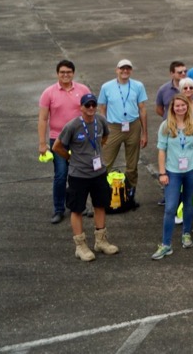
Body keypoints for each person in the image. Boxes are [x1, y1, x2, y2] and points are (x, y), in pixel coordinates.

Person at [53, 93, 120, 261]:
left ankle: (101, 241)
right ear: (81, 107)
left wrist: (96, 151)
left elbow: (105, 136)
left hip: (98, 173)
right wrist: (71, 158)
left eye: (93, 105)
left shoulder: (100, 121)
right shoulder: (72, 126)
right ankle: (80, 246)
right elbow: (57, 146)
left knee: (100, 205)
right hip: (79, 175)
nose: (91, 108)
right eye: (87, 105)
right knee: (77, 209)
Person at [152, 95, 193, 260]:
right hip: (172, 171)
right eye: (177, 106)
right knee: (170, 207)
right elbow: (162, 150)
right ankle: (166, 244)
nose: (180, 108)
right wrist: (162, 173)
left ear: (187, 107)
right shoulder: (166, 126)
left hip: (192, 169)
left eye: (183, 105)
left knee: (189, 202)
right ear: (172, 108)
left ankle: (186, 233)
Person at [38, 59, 91, 224]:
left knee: (80, 175)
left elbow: (90, 112)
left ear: (73, 73)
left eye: (68, 72)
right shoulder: (49, 93)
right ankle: (59, 209)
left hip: (80, 140)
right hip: (58, 140)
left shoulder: (83, 90)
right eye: (62, 72)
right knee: (61, 175)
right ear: (57, 74)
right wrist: (42, 142)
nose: (65, 75)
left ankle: (79, 206)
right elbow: (43, 118)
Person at [97, 58, 149, 208]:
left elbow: (142, 109)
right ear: (117, 70)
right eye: (122, 68)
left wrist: (144, 133)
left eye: (128, 69)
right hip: (113, 127)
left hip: (133, 126)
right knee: (105, 163)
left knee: (132, 165)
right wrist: (104, 130)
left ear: (131, 70)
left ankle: (130, 195)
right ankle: (101, 196)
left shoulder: (138, 86)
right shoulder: (106, 87)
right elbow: (102, 109)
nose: (125, 71)